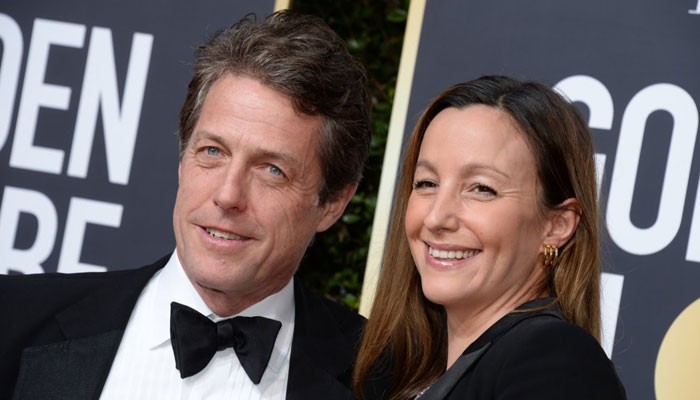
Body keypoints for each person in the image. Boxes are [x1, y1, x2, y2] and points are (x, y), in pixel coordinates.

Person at [0, 10, 371, 400]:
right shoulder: (15, 320)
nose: (228, 195)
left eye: (272, 170)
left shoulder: (378, 381)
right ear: (182, 158)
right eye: (212, 151)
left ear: (333, 203)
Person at [354, 75, 626, 399]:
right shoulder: (394, 373)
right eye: (427, 183)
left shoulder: (558, 363)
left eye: (482, 188)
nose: (437, 217)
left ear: (557, 225)